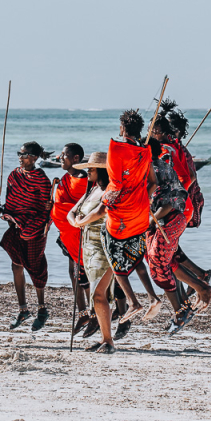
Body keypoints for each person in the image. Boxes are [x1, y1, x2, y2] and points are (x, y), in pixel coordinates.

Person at [150, 104, 211, 311]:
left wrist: (177, 197)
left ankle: (192, 292)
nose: (150, 134)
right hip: (175, 206)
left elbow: (189, 177)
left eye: (154, 131)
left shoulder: (169, 149)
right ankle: (199, 277)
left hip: (176, 207)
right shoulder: (173, 147)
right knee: (171, 251)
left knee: (165, 255)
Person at [101, 109, 158, 325]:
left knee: (114, 259)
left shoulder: (116, 149)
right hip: (140, 214)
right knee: (136, 257)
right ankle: (152, 297)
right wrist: (141, 197)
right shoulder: (145, 152)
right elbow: (153, 183)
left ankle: (134, 302)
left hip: (121, 216)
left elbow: (116, 185)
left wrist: (105, 199)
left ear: (123, 129)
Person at [145, 137, 197, 334]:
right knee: (157, 262)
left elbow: (171, 201)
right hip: (162, 218)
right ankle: (184, 307)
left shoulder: (157, 169)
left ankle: (181, 311)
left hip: (170, 217)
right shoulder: (155, 166)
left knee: (159, 263)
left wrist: (152, 220)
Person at [0, 141, 53, 331]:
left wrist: (48, 210)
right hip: (16, 225)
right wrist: (7, 214)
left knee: (35, 267)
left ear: (34, 157)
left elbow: (46, 209)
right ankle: (23, 309)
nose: (20, 157)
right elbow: (10, 200)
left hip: (35, 229)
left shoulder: (41, 179)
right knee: (16, 265)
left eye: (24, 154)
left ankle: (41, 309)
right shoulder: (14, 175)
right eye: (19, 154)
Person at [67, 152, 116, 354]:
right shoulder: (92, 190)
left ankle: (109, 341)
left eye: (92, 168)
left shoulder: (111, 190)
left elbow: (101, 212)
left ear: (102, 171)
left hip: (105, 247)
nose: (88, 171)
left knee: (98, 293)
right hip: (88, 247)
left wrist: (80, 221)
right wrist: (75, 221)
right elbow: (72, 211)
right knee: (97, 296)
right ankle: (105, 338)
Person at [49, 143, 91, 333]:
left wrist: (62, 210)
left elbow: (85, 208)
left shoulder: (88, 180)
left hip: (84, 232)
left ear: (75, 158)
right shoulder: (66, 179)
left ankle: (94, 312)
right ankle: (82, 312)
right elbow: (60, 205)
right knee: (73, 272)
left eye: (64, 155)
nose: (59, 157)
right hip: (68, 233)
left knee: (86, 274)